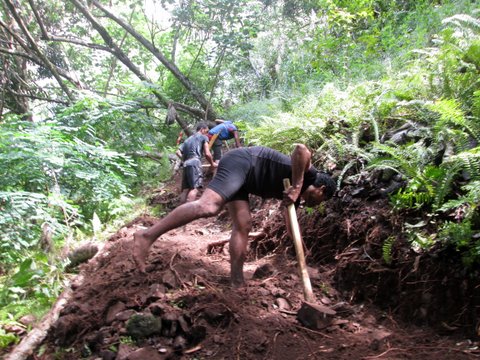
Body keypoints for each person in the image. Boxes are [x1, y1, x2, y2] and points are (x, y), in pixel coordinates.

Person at [134, 144, 336, 288]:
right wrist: (298, 185)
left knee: (244, 225)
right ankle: (147, 236)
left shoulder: (296, 198)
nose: (315, 205)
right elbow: (301, 149)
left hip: (245, 182)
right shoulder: (309, 175)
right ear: (321, 189)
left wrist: (299, 243)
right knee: (209, 206)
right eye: (320, 200)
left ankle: (237, 281)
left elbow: (288, 219)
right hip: (242, 162)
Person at [175, 123, 216, 204]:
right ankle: (188, 213)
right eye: (206, 131)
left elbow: (177, 152)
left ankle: (182, 212)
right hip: (195, 162)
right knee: (195, 188)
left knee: (185, 190)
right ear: (202, 129)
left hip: (186, 164)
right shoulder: (203, 137)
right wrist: (212, 164)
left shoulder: (187, 140)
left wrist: (184, 160)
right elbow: (207, 154)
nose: (207, 133)